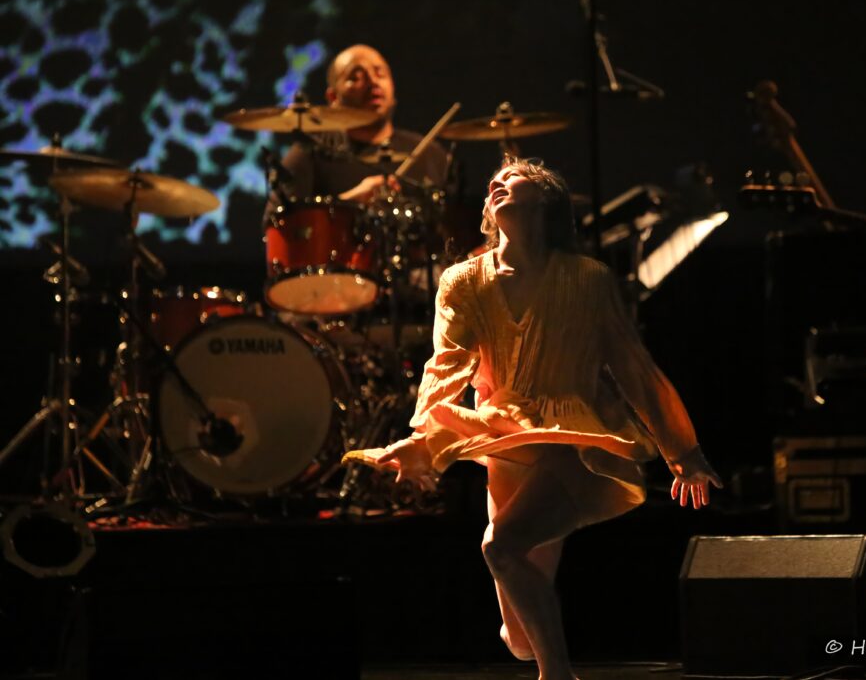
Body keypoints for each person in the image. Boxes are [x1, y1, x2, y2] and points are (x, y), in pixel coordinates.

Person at [344, 156, 722, 680]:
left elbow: (634, 368)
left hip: (570, 441)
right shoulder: (462, 280)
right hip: (503, 440)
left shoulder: (587, 279)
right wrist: (423, 439)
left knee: (500, 546)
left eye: (513, 178)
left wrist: (684, 451)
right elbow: (445, 365)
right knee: (519, 637)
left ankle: (558, 677)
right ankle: (542, 658)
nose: (497, 183)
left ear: (545, 198)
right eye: (493, 182)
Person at [265, 43, 448, 215]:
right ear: (333, 97)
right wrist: (348, 204)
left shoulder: (429, 154)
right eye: (356, 77)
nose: (373, 81)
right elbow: (278, 220)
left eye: (380, 74)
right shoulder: (312, 150)